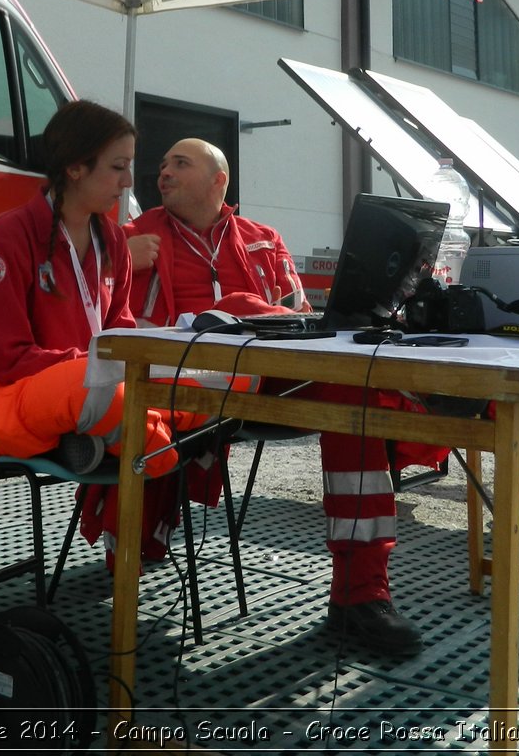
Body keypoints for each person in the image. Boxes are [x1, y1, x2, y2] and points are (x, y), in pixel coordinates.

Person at [122, 138, 432, 657]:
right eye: (162, 164)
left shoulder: (264, 239)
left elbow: (301, 320)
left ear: (220, 180)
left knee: (351, 392)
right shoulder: (131, 238)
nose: (163, 173)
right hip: (175, 380)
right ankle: (131, 547)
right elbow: (94, 312)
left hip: (266, 374)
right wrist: (117, 261)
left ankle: (361, 595)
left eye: (180, 163)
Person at [0, 100, 191, 505]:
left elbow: (122, 335)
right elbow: (7, 361)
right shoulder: (8, 236)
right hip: (0, 396)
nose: (128, 180)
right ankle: (148, 445)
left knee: (216, 374)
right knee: (98, 391)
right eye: (118, 167)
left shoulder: (113, 239)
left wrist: (142, 364)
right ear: (75, 167)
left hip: (86, 386)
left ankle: (97, 435)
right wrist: (101, 367)